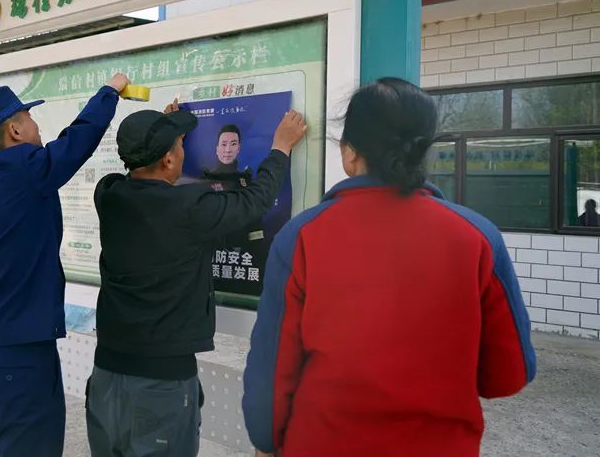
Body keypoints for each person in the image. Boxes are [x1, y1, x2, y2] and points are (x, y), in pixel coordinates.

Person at [243, 78, 536, 457]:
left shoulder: (300, 237)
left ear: (349, 154)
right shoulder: (479, 236)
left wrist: (266, 441)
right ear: (422, 152)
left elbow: (272, 367)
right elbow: (509, 375)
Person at [86, 103, 306, 456]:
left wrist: (160, 132)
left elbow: (146, 181)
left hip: (106, 375)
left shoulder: (108, 193)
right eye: (179, 146)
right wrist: (280, 147)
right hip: (161, 383)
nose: (184, 151)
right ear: (168, 160)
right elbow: (254, 201)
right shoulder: (189, 209)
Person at [0, 73, 128, 457]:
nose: (36, 124)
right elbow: (75, 143)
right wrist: (109, 92)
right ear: (14, 130)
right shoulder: (21, 171)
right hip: (22, 362)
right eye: (29, 117)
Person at [201, 124, 269, 296]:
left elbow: (255, 229)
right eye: (223, 144)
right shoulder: (202, 183)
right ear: (217, 148)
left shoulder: (246, 183)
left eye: (233, 144)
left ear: (239, 148)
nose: (227, 149)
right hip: (207, 261)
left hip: (240, 262)